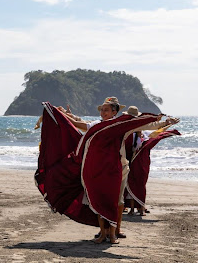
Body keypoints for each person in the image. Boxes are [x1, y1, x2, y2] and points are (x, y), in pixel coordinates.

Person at [62, 98, 179, 244]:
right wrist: (62, 115)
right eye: (101, 110)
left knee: (117, 200)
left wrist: (166, 123)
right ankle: (103, 232)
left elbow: (145, 125)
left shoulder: (121, 126)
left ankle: (114, 232)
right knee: (99, 197)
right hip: (99, 169)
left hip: (119, 168)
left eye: (106, 110)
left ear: (114, 112)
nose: (103, 112)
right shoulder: (97, 125)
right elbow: (79, 124)